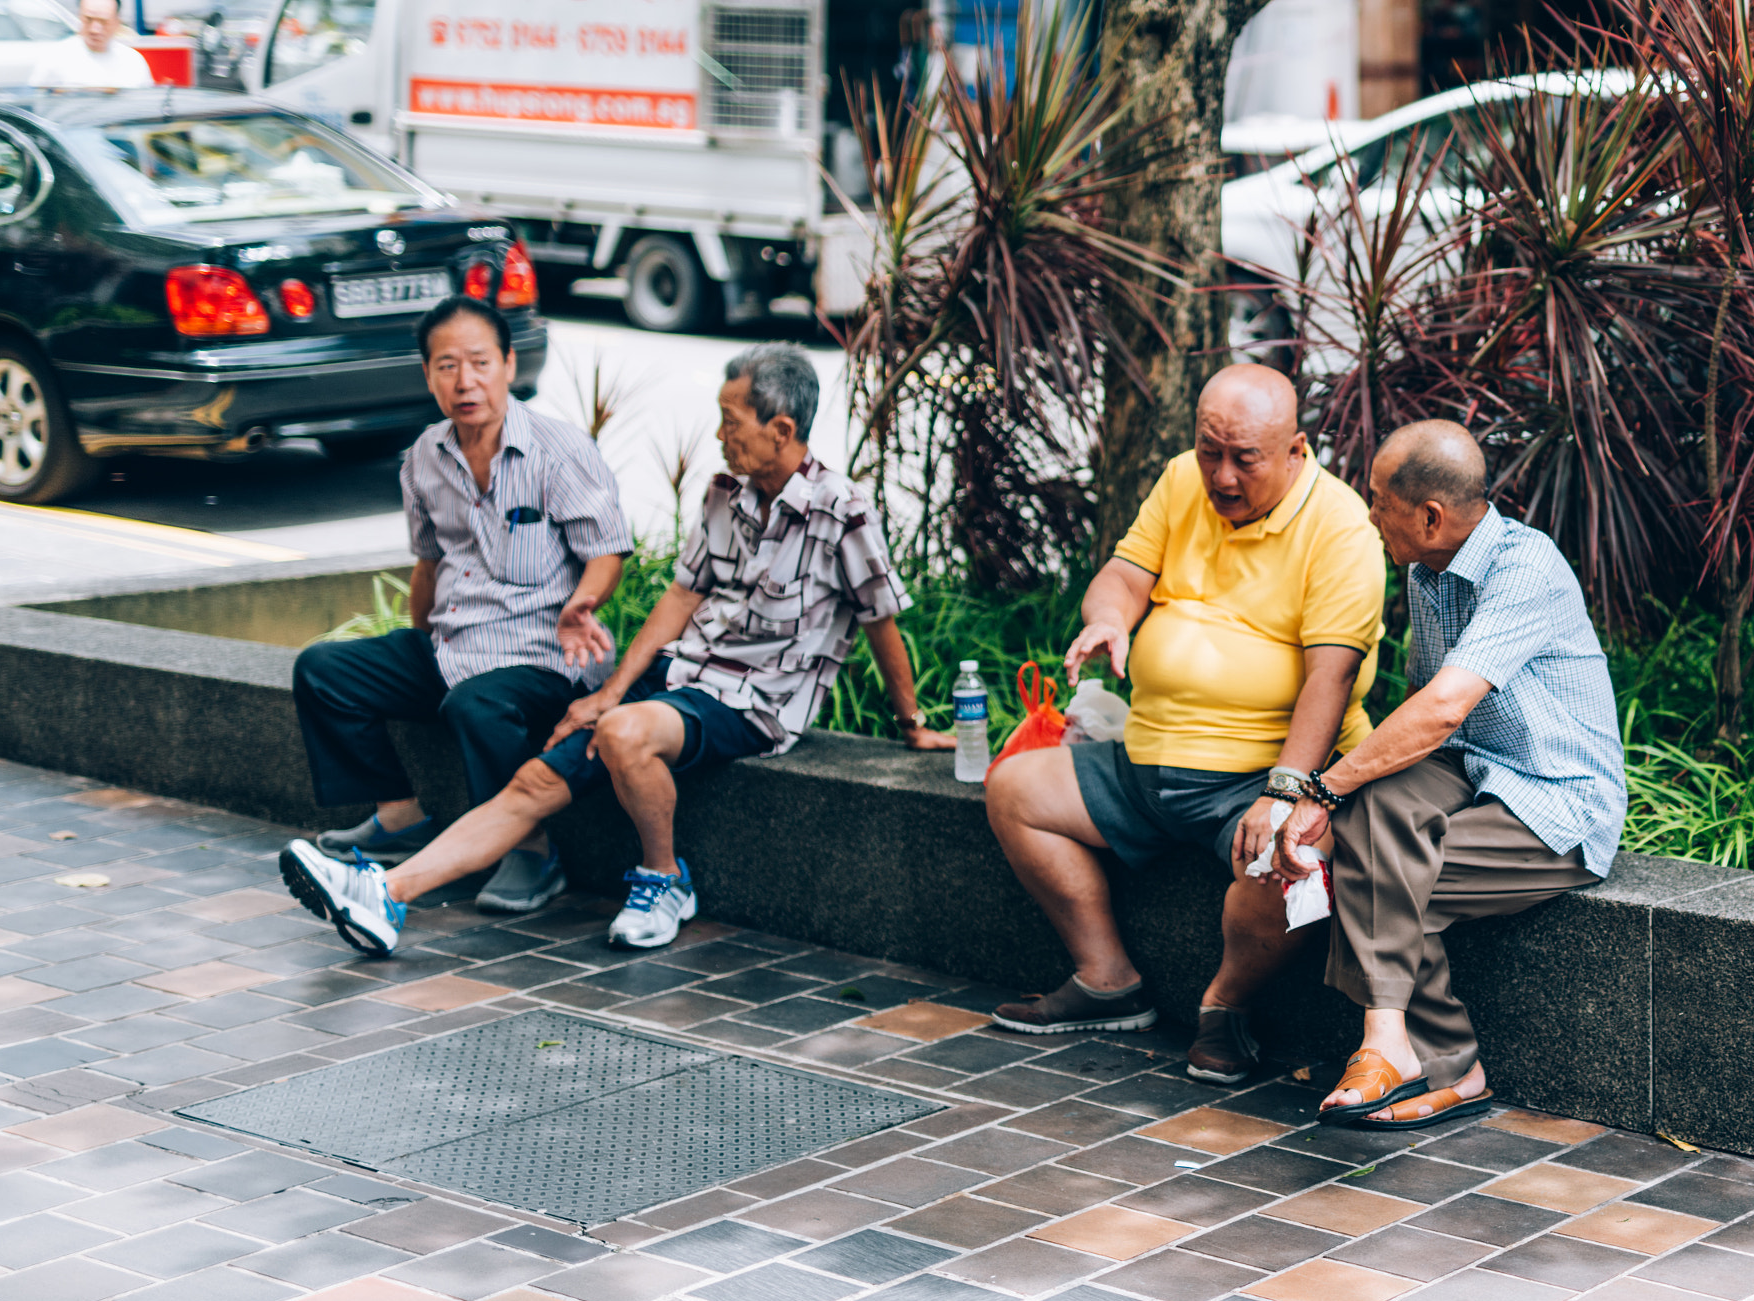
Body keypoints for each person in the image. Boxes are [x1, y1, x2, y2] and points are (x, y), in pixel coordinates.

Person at [279, 343, 954, 957]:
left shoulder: (841, 509)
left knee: (626, 733)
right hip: (685, 676)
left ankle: (665, 879)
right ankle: (385, 892)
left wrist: (911, 724)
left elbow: (880, 617)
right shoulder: (725, 494)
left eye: (731, 421)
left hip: (756, 700)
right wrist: (607, 690)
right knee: (539, 775)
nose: (720, 436)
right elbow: (680, 599)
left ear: (782, 428)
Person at [985, 363, 1387, 1085]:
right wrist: (1108, 618)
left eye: (1245, 459)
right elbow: (1123, 574)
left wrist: (1283, 791)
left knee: (1292, 862)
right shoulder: (1181, 480)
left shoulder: (1341, 528)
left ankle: (1224, 1006)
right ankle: (1106, 977)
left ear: (1296, 449)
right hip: (1146, 759)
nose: (1221, 476)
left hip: (1256, 774)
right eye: (1210, 451)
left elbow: (1331, 676)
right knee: (1015, 789)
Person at [1271, 420, 1624, 1129]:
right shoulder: (1426, 569)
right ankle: (1409, 1050)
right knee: (1371, 818)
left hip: (1556, 799)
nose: (1369, 514)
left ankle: (1432, 1060)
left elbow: (1440, 708)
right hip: (1473, 766)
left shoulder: (1527, 569)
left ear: (1430, 516)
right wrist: (1340, 801)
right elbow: (1430, 727)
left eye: (1378, 501)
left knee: (1388, 875)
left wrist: (1323, 790)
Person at [289, 296, 629, 923]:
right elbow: (428, 563)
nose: (465, 381)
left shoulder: (558, 450)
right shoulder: (424, 455)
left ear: (508, 363)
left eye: (479, 362)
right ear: (428, 375)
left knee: (477, 703)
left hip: (540, 651)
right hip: (455, 646)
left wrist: (584, 603)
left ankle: (532, 849)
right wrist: (413, 649)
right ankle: (401, 815)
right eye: (447, 366)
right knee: (322, 670)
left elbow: (606, 551)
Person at [30, 0, 154, 87]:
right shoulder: (56, 57)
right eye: (88, 19)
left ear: (117, 22)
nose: (95, 29)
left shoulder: (133, 61)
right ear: (80, 16)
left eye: (103, 21)